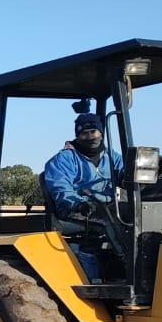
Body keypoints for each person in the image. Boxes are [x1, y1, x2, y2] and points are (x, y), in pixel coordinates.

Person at [43, 112, 123, 281]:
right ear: (78, 135)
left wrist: (152, 169)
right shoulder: (64, 159)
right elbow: (60, 188)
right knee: (111, 223)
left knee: (135, 216)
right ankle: (104, 276)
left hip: (107, 208)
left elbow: (126, 174)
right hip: (75, 211)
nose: (90, 137)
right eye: (85, 133)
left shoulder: (112, 157)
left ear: (101, 132)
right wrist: (78, 203)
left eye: (93, 132)